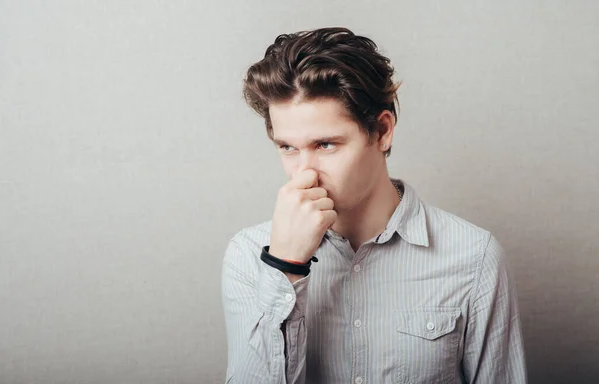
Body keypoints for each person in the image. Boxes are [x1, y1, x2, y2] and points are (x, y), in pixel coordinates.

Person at [221, 27, 527, 384]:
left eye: (325, 145)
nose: (303, 174)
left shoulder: (474, 257)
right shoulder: (248, 257)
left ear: (382, 132)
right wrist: (284, 266)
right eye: (287, 147)